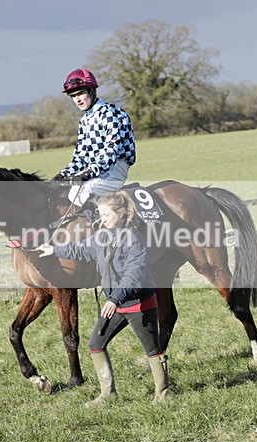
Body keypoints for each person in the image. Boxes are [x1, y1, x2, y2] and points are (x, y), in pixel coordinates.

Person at [36, 191, 167, 404]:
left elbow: (133, 276)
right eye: (100, 214)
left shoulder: (134, 239)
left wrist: (114, 299)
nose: (101, 219)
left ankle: (162, 394)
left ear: (122, 214)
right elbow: (81, 249)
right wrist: (54, 250)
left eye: (106, 214)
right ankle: (108, 394)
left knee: (152, 350)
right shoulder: (102, 236)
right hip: (114, 304)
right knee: (96, 343)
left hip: (138, 304)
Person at [51, 68, 136, 207]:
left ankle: (111, 227)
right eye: (73, 96)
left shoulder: (110, 113)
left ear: (91, 91)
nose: (77, 99)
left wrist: (88, 173)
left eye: (80, 93)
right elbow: (81, 158)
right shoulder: (84, 121)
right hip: (96, 171)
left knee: (81, 194)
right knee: (63, 193)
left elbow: (110, 154)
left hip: (115, 169)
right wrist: (62, 175)